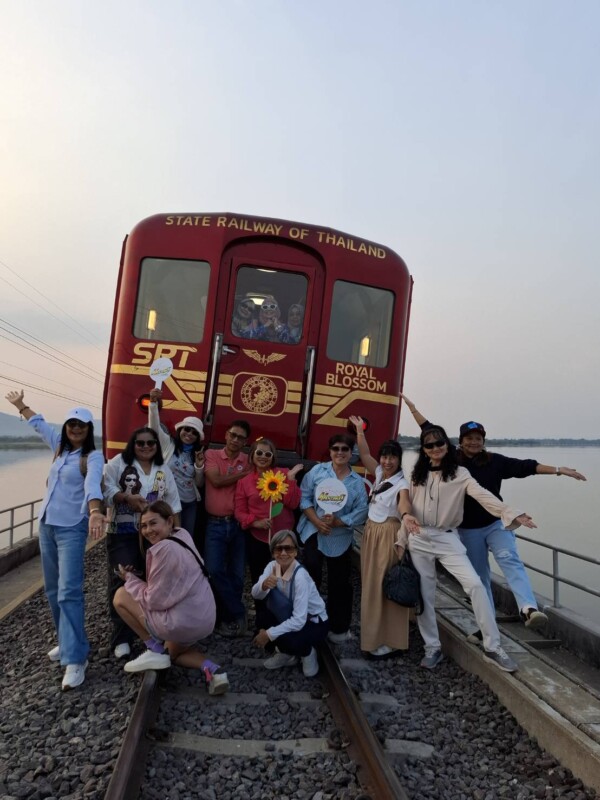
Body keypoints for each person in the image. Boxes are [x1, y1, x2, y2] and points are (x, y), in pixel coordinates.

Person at [402, 396, 587, 636]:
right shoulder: (453, 462)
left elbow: (527, 466)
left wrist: (559, 470)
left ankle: (528, 608)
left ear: (483, 441)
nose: (474, 442)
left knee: (509, 559)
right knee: (480, 577)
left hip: (495, 523)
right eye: (469, 438)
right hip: (467, 530)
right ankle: (486, 626)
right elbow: (429, 430)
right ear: (460, 442)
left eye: (478, 439)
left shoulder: (494, 461)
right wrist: (413, 409)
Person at [397, 422, 538, 673]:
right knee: (425, 594)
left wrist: (510, 512)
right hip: (419, 537)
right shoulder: (417, 474)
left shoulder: (460, 473)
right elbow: (407, 505)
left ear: (447, 445)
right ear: (424, 449)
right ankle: (432, 647)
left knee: (475, 584)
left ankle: (493, 646)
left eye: (439, 443)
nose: (435, 448)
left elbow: (483, 496)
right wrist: (402, 536)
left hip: (447, 537)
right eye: (429, 445)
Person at [5, 390, 104, 690]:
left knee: (68, 591)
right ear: (66, 427)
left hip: (72, 528)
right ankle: (67, 640)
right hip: (47, 524)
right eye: (71, 424)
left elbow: (93, 485)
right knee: (51, 590)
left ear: (88, 429)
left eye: (81, 425)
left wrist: (95, 512)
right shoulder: (59, 447)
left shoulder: (93, 457)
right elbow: (39, 425)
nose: (75, 429)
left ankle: (76, 659)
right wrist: (21, 406)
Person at [112, 501, 229, 695]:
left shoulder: (163, 550)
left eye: (153, 523)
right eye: (143, 526)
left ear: (169, 521)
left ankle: (153, 648)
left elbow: (153, 600)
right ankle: (214, 670)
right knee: (171, 654)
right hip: (204, 618)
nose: (148, 530)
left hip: (182, 622)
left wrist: (130, 580)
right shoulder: (182, 534)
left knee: (121, 596)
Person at [103, 428, 181, 659]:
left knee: (152, 580)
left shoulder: (163, 469)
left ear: (157, 445)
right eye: (140, 443)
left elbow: (173, 504)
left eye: (151, 443)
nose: (146, 447)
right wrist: (125, 497)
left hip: (154, 534)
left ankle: (151, 630)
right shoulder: (119, 463)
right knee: (123, 578)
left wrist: (177, 536)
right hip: (123, 532)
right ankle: (121, 637)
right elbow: (105, 487)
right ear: (132, 444)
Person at [349, 416, 411, 658]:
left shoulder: (401, 483)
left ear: (399, 460)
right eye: (384, 456)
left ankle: (393, 641)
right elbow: (364, 454)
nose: (387, 461)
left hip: (388, 535)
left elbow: (404, 503)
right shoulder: (379, 474)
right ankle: (374, 637)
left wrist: (406, 516)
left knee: (386, 586)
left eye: (392, 457)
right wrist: (359, 431)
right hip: (372, 533)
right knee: (372, 586)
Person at [297, 433, 368, 644]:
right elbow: (304, 497)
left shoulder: (357, 482)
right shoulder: (317, 472)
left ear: (351, 453)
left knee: (340, 582)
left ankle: (338, 627)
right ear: (330, 451)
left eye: (345, 449)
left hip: (340, 536)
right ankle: (306, 621)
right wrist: (316, 521)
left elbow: (362, 510)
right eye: (336, 448)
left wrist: (340, 521)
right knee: (310, 576)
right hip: (314, 531)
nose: (340, 452)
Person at [235, 438, 302, 631]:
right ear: (252, 455)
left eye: (267, 454)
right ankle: (263, 624)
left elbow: (293, 504)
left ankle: (284, 623)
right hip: (259, 539)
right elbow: (240, 511)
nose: (263, 457)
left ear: (273, 457)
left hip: (283, 541)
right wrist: (254, 521)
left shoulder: (282, 474)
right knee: (261, 581)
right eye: (259, 453)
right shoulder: (244, 482)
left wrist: (291, 480)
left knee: (284, 581)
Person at [252, 530, 328, 677]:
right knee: (262, 619)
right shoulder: (272, 566)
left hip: (314, 622)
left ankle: (308, 652)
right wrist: (264, 585)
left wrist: (268, 634)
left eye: (289, 548)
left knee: (290, 638)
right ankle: (287, 653)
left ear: (295, 552)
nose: (283, 553)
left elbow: (299, 620)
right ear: (273, 552)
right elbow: (255, 594)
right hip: (288, 613)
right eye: (279, 549)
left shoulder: (300, 576)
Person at [204, 419, 252, 637]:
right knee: (213, 570)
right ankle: (239, 612)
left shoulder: (248, 460)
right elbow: (216, 481)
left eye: (240, 437)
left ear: (245, 442)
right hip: (214, 523)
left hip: (238, 524)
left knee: (237, 574)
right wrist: (244, 474)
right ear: (226, 435)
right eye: (233, 435)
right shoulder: (212, 455)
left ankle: (227, 617)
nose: (235, 440)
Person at [148, 388, 205, 536]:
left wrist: (199, 467)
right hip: (168, 502)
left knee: (185, 537)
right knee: (166, 536)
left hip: (189, 503)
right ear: (180, 430)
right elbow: (154, 427)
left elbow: (199, 484)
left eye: (194, 432)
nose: (189, 434)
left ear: (197, 437)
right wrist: (153, 404)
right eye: (187, 429)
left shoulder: (197, 454)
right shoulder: (168, 444)